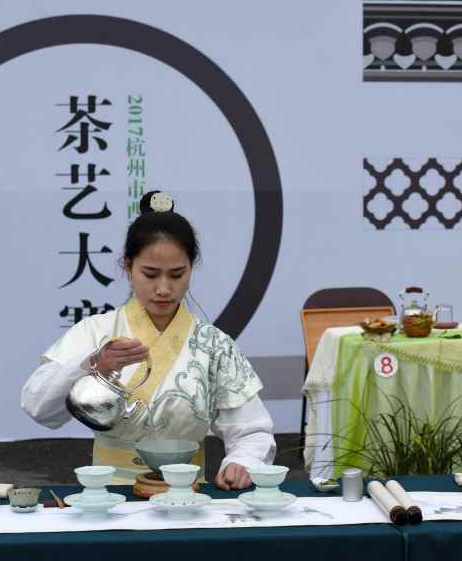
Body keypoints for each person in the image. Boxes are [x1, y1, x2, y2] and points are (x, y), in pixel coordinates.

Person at [22, 191, 276, 489]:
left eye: (177, 274)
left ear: (191, 269)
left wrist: (241, 463)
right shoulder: (96, 332)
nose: (164, 289)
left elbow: (252, 431)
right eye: (151, 274)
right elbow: (37, 405)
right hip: (108, 494)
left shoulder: (214, 345)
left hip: (187, 493)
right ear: (128, 268)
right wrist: (92, 365)